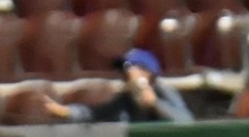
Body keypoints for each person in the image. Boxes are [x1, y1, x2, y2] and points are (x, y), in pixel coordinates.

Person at [43, 50, 193, 124]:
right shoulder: (125, 100)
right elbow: (95, 113)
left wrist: (155, 104)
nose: (124, 75)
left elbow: (186, 122)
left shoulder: (163, 91)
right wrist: (65, 112)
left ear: (146, 72)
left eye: (129, 69)